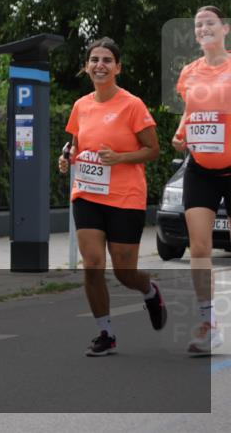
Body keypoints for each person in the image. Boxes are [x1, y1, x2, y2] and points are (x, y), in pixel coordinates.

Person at [58, 38, 165, 356]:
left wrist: (120, 158)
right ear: (86, 67)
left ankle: (149, 291)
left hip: (125, 197)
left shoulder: (132, 105)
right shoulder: (81, 106)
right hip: (87, 194)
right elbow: (76, 145)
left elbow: (153, 150)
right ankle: (106, 333)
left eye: (107, 60)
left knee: (124, 272)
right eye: (94, 60)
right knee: (92, 264)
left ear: (118, 67)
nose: (100, 65)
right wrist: (66, 157)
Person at [171, 5, 230, 355]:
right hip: (201, 168)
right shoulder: (189, 72)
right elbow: (190, 111)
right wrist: (181, 132)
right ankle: (210, 324)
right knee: (199, 248)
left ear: (224, 29)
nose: (203, 28)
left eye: (210, 23)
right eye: (198, 25)